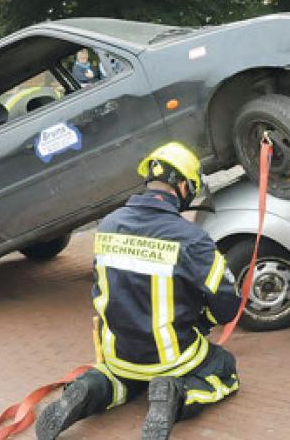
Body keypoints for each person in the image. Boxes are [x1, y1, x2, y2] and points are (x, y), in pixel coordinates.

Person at [36, 142, 241, 440]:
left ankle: (88, 388)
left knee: (122, 381)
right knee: (223, 366)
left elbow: (101, 287)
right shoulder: (192, 239)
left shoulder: (108, 226)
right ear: (183, 186)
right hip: (171, 357)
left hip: (118, 353)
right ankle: (178, 394)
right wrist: (203, 317)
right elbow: (227, 305)